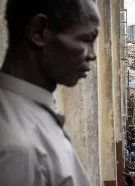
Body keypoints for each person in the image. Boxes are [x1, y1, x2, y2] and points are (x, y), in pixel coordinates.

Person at [0, 0, 100, 185]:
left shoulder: (28, 111)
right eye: (86, 39)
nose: (92, 55)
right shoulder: (16, 147)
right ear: (38, 32)